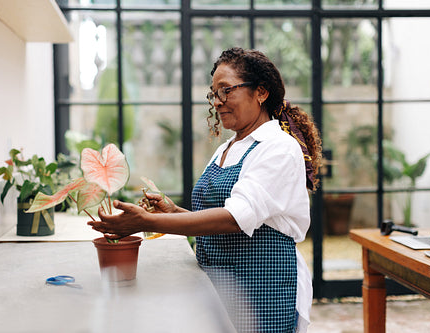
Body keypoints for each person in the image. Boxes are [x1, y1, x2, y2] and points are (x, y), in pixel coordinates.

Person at [89, 47, 322, 333]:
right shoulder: (227, 149)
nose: (218, 102)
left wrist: (145, 221)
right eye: (214, 94)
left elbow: (234, 219)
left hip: (262, 290)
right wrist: (174, 212)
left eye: (226, 90)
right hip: (219, 287)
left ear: (261, 92)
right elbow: (219, 219)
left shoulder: (278, 148)